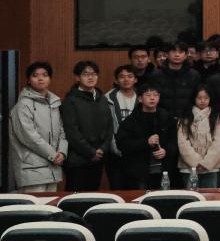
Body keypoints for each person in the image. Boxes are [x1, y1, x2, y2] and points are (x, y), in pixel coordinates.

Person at [10, 62, 67, 192]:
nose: (41, 78)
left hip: (53, 167)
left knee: (51, 204)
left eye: (45, 75)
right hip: (31, 169)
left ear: (50, 79)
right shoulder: (22, 105)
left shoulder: (54, 103)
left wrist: (62, 152)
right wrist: (53, 155)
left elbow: (62, 131)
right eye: (35, 75)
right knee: (34, 205)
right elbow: (29, 137)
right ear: (28, 80)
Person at [61, 60, 113, 191]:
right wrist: (90, 152)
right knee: (76, 198)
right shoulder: (70, 100)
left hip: (99, 158)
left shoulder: (102, 98)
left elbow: (109, 126)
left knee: (93, 196)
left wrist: (103, 148)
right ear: (77, 77)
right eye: (86, 74)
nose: (91, 77)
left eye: (94, 74)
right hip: (77, 160)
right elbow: (71, 131)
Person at [116, 84, 177, 189]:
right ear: (140, 99)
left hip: (164, 171)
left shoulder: (167, 118)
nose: (152, 98)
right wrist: (146, 142)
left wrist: (166, 151)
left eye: (155, 95)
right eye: (148, 95)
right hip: (138, 172)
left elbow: (174, 141)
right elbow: (122, 144)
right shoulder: (130, 121)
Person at [176, 84, 220, 188]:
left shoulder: (218, 117)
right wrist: (196, 163)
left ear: (210, 99)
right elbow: (183, 143)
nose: (202, 101)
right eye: (199, 98)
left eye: (206, 98)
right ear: (194, 98)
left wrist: (206, 163)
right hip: (189, 167)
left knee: (210, 196)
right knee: (191, 195)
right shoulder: (185, 117)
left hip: (211, 167)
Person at [105, 65, 138, 189]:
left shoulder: (142, 97)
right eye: (122, 77)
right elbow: (106, 126)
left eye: (130, 76)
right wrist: (114, 147)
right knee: (117, 187)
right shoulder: (108, 98)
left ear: (135, 79)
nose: (126, 79)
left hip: (137, 151)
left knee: (136, 189)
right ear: (116, 80)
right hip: (114, 151)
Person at [148, 42, 201, 118]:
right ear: (167, 54)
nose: (177, 55)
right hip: (162, 118)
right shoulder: (156, 75)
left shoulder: (194, 75)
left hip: (187, 118)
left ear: (186, 55)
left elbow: (196, 98)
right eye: (173, 51)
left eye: (180, 52)